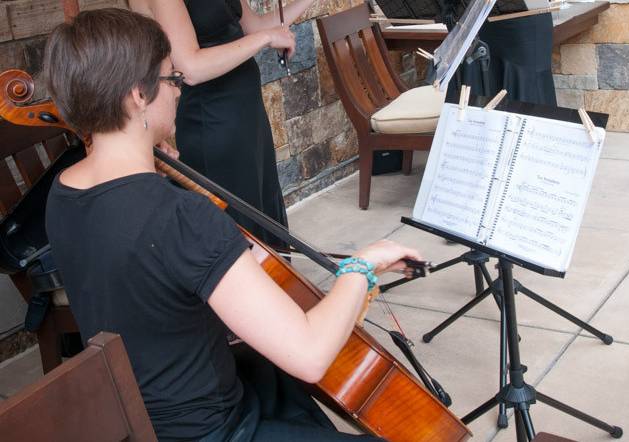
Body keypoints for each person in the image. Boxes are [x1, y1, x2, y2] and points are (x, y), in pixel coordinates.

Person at [43, 8, 422, 442]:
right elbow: (311, 355)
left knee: (279, 383)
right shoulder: (179, 216)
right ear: (137, 95)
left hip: (144, 416)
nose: (179, 92)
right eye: (172, 80)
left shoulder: (63, 192)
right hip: (215, 430)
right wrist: (363, 265)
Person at [127, 0, 315, 245]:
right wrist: (267, 38)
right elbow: (190, 67)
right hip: (213, 119)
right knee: (238, 227)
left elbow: (255, 26)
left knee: (264, 212)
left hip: (247, 113)